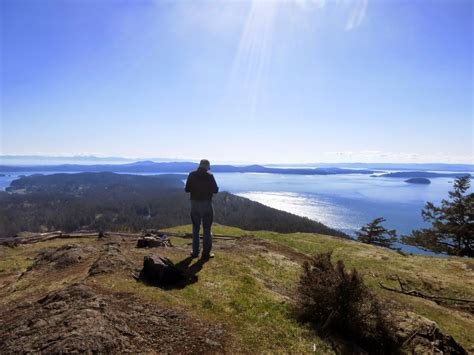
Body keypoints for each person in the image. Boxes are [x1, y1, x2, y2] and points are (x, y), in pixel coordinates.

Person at [184, 159, 219, 259]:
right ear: (207, 166)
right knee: (207, 229)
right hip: (207, 204)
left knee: (195, 228)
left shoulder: (192, 174)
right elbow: (215, 190)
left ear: (199, 165)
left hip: (194, 203)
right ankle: (206, 253)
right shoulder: (210, 175)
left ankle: (195, 252)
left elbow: (187, 190)